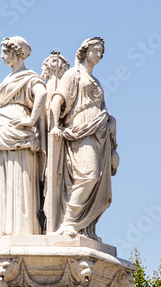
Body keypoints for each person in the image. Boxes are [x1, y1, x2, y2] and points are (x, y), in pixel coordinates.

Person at [46, 37, 118, 240]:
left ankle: (85, 228)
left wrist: (113, 134)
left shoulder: (96, 81)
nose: (99, 55)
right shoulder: (73, 74)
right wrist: (53, 126)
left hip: (100, 135)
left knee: (96, 181)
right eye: (96, 50)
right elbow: (58, 98)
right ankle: (68, 222)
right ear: (84, 51)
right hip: (80, 129)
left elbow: (104, 110)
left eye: (101, 52)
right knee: (88, 175)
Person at [0, 36, 47, 238]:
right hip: (2, 134)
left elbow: (42, 93)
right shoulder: (7, 81)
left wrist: (31, 120)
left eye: (6, 52)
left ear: (18, 52)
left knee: (22, 178)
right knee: (2, 181)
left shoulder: (28, 76)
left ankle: (24, 230)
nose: (2, 56)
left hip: (20, 133)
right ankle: (4, 228)